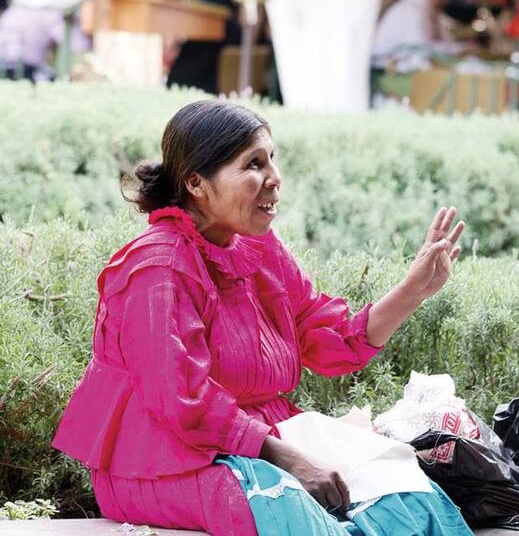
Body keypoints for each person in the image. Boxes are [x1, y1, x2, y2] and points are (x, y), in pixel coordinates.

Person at [51, 101, 472, 535]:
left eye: (272, 158)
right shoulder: (158, 267)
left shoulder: (258, 248)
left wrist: (412, 290)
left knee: (406, 495)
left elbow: (332, 340)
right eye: (254, 163)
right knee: (298, 515)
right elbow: (181, 401)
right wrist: (288, 458)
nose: (274, 178)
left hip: (254, 443)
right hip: (162, 463)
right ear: (196, 182)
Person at [372, 0, 457, 69]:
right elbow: (421, 52)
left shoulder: (428, 9)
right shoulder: (413, 11)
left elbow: (446, 43)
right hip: (384, 72)